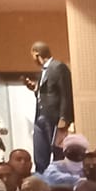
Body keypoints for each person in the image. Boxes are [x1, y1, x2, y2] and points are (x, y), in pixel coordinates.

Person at [30, 42, 73, 174]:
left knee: (57, 152)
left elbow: (66, 93)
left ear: (36, 54)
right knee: (40, 152)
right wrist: (35, 89)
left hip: (54, 116)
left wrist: (64, 117)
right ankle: (41, 177)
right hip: (40, 115)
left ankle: (56, 178)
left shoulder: (58, 67)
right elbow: (48, 92)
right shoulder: (43, 71)